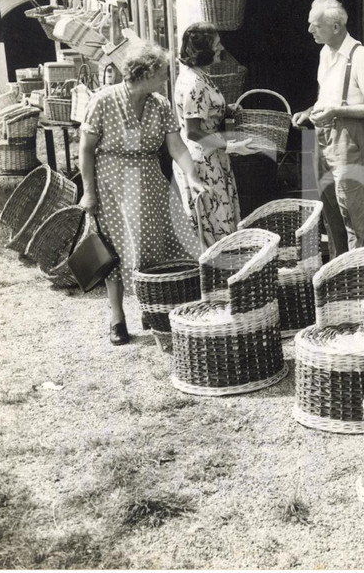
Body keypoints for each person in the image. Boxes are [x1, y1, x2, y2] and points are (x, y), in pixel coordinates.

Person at [79, 41, 204, 346]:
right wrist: (89, 193)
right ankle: (118, 318)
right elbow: (86, 149)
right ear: (146, 72)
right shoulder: (103, 100)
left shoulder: (159, 104)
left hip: (150, 185)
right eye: (162, 72)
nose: (165, 78)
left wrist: (192, 175)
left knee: (155, 249)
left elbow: (176, 146)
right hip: (113, 187)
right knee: (116, 253)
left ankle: (151, 307)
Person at [292, 0, 364, 256]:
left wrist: (337, 111)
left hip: (350, 141)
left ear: (335, 27)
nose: (310, 30)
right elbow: (328, 98)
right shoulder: (325, 53)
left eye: (315, 25)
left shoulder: (360, 57)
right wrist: (310, 111)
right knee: (330, 210)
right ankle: (339, 268)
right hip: (324, 140)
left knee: (355, 212)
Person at [173, 22, 255, 248]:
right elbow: (193, 131)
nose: (221, 49)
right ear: (203, 51)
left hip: (213, 157)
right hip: (203, 162)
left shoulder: (201, 75)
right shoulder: (194, 83)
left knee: (222, 216)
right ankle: (219, 273)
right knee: (216, 220)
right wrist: (229, 146)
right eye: (216, 45)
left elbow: (203, 111)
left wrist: (226, 109)